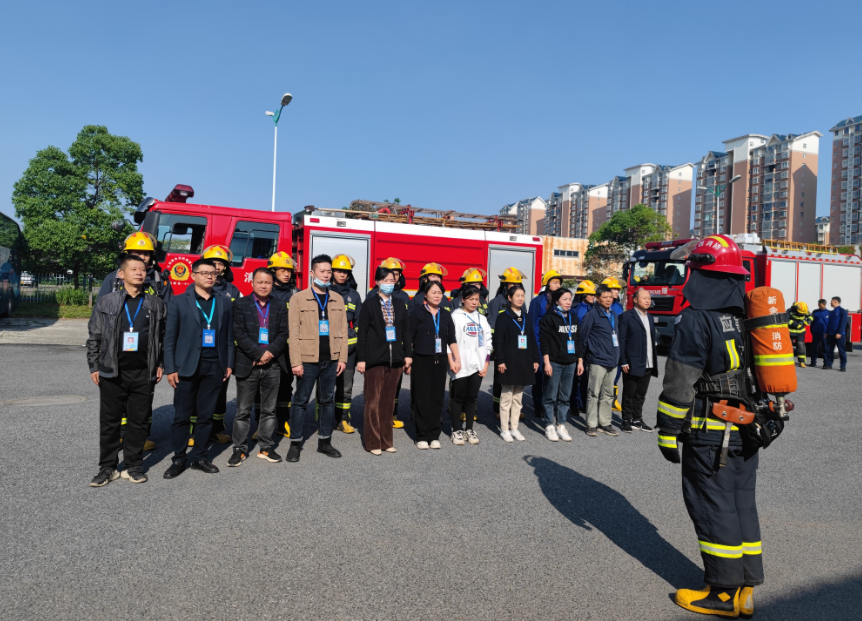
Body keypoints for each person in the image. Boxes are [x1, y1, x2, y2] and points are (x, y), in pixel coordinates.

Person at [655, 234, 785, 619]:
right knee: (741, 504)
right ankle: (745, 588)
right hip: (748, 429)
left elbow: (680, 382)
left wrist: (666, 432)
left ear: (700, 274)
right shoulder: (746, 316)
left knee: (713, 507)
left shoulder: (696, 318)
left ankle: (722, 594)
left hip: (712, 434)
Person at [87, 256, 167, 486]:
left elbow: (162, 339)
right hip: (113, 371)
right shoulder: (107, 302)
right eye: (133, 269)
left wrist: (160, 364)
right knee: (110, 422)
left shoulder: (156, 303)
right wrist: (94, 365)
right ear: (121, 274)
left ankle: (133, 465)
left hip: (144, 371)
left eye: (142, 269)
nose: (139, 273)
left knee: (138, 421)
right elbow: (95, 336)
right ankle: (107, 467)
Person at [100, 231, 172, 452]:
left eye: (146, 253)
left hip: (146, 351)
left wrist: (162, 360)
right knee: (116, 398)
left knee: (143, 399)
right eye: (137, 252)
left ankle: (140, 437)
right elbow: (100, 316)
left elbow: (168, 320)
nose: (142, 257)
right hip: (117, 351)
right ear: (126, 255)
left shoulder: (160, 282)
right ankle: (120, 436)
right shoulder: (113, 280)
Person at [163, 258, 234, 479]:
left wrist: (229, 363)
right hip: (186, 366)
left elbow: (229, 336)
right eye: (204, 273)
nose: (209, 276)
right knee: (182, 416)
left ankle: (200, 457)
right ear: (193, 275)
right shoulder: (178, 301)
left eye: (212, 273)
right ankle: (179, 458)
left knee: (206, 416)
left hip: (215, 365)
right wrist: (170, 368)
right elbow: (170, 337)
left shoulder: (223, 302)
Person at [286, 254, 348, 462]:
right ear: (312, 273)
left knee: (327, 401)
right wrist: (295, 361)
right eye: (322, 271)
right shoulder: (298, 298)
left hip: (330, 359)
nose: (326, 275)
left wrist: (342, 358)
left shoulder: (337, 299)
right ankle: (295, 443)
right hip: (307, 359)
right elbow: (293, 332)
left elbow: (343, 331)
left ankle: (325, 441)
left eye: (329, 271)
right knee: (301, 401)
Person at [228, 268, 289, 466]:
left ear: (272, 284)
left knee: (269, 410)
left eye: (268, 282)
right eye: (260, 282)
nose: (264, 286)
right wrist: (258, 353)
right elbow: (238, 332)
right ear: (252, 283)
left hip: (273, 364)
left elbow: (283, 332)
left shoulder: (280, 305)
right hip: (248, 363)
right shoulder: (240, 304)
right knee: (243, 410)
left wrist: (269, 352)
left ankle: (265, 446)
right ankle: (239, 449)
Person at [357, 266, 413, 455]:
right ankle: (373, 442)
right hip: (375, 359)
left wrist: (407, 354)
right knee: (373, 402)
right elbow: (362, 333)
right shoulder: (369, 304)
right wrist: (361, 359)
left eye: (392, 280)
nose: (390, 283)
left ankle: (386, 441)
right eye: (386, 280)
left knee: (388, 403)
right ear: (378, 282)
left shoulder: (399, 304)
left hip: (395, 359)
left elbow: (406, 330)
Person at [194, 244, 240, 446]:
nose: (217, 267)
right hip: (199, 350)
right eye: (213, 263)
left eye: (221, 264)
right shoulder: (196, 289)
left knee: (221, 392)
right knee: (196, 392)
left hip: (221, 350)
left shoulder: (232, 291)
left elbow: (237, 322)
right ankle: (194, 430)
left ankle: (217, 428)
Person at [409, 280, 460, 448]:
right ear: (425, 294)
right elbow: (409, 338)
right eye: (433, 292)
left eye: (440, 292)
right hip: (421, 360)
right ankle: (421, 435)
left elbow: (451, 339)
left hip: (440, 361)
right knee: (422, 397)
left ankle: (434, 434)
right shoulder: (417, 313)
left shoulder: (445, 315)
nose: (437, 295)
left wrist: (456, 358)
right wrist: (407, 359)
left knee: (437, 397)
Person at [493, 284, 540, 442]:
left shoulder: (526, 317)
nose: (520, 298)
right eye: (517, 295)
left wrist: (535, 359)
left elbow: (532, 340)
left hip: (524, 361)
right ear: (509, 297)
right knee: (506, 397)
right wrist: (500, 360)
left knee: (518, 398)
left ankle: (515, 428)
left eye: (522, 295)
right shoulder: (503, 316)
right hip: (508, 362)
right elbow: (498, 340)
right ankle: (504, 429)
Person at [368, 258, 411, 428]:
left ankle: (392, 414)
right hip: (379, 347)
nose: (394, 277)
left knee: (395, 384)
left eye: (397, 274)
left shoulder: (404, 297)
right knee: (378, 383)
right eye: (390, 274)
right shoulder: (372, 295)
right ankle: (377, 415)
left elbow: (406, 325)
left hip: (397, 347)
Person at [448, 285, 492, 443]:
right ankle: (456, 430)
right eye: (471, 299)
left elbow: (488, 341)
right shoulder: (455, 316)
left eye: (477, 299)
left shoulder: (482, 318)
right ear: (463, 300)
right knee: (458, 398)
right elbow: (449, 340)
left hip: (478, 365)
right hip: (460, 365)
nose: (474, 302)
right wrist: (452, 360)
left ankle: (469, 429)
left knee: (472, 398)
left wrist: (486, 363)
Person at [539, 287, 584, 442]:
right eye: (564, 299)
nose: (568, 302)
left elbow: (578, 341)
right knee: (550, 395)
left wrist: (580, 360)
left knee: (565, 396)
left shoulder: (574, 317)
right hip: (554, 362)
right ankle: (549, 425)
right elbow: (544, 342)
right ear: (557, 300)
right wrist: (546, 362)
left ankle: (561, 424)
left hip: (571, 362)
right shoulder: (548, 318)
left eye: (570, 299)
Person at [487, 267, 529, 418]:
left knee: (516, 377)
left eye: (517, 284)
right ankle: (498, 408)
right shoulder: (495, 302)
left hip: (518, 348)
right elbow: (491, 327)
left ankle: (514, 408)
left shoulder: (521, 303)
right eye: (512, 284)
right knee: (501, 379)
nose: (515, 287)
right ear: (505, 285)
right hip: (503, 348)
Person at [327, 254, 362, 434]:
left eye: (345, 272)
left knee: (345, 387)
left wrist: (352, 342)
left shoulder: (354, 296)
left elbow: (358, 323)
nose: (342, 274)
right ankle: (323, 421)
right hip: (327, 349)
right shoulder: (324, 293)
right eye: (339, 271)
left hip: (349, 350)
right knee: (325, 386)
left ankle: (343, 419)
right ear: (332, 272)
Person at [580, 284, 620, 438]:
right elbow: (583, 338)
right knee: (593, 393)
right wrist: (582, 360)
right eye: (605, 297)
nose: (608, 300)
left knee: (608, 394)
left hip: (612, 359)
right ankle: (591, 424)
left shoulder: (614, 315)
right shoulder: (591, 315)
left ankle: (605, 423)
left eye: (610, 297)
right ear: (597, 298)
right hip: (596, 360)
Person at [617, 288, 657, 433]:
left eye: (649, 298)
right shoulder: (626, 317)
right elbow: (621, 340)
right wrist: (623, 360)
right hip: (632, 362)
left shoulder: (650, 317)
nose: (648, 300)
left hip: (648, 361)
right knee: (629, 392)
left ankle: (637, 419)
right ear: (635, 300)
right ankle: (626, 419)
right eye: (644, 298)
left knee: (641, 393)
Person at [268, 251, 299, 437]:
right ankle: (261, 424)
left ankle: (283, 422)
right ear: (273, 271)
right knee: (264, 386)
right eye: (282, 269)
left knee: (286, 386)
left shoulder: (296, 293)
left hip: (289, 348)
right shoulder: (265, 291)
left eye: (289, 270)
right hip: (269, 348)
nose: (286, 273)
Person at [529, 270, 564, 421]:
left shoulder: (560, 302)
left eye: (559, 282)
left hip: (555, 345)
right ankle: (538, 405)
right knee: (540, 376)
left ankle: (550, 405)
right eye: (554, 282)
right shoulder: (537, 301)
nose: (557, 285)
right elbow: (530, 324)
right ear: (547, 283)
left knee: (554, 376)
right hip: (538, 344)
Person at [572, 280, 597, 413]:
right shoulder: (575, 310)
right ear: (583, 295)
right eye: (590, 294)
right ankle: (574, 404)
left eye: (594, 295)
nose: (593, 296)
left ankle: (583, 403)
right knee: (576, 377)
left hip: (590, 348)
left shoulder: (594, 309)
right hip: (578, 347)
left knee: (587, 378)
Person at [602, 276, 625, 412]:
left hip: (617, 342)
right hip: (605, 343)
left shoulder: (619, 305)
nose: (616, 291)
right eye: (613, 288)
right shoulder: (602, 305)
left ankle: (613, 400)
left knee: (616, 372)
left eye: (617, 289)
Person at [824, 296, 848, 371]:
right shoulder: (831, 312)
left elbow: (843, 323)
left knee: (841, 351)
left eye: (831, 301)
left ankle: (843, 366)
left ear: (835, 301)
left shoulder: (842, 311)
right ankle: (828, 364)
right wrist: (826, 332)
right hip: (830, 334)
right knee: (829, 350)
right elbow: (829, 323)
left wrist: (839, 333)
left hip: (839, 335)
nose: (830, 303)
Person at [787, 301, 812, 368]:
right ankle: (789, 361)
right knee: (789, 347)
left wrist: (808, 321)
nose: (803, 314)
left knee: (801, 346)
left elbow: (811, 316)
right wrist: (796, 325)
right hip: (790, 331)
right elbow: (787, 319)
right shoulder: (790, 311)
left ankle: (802, 362)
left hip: (800, 332)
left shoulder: (804, 310)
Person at [809, 299, 830, 368]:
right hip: (816, 332)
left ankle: (826, 364)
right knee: (814, 348)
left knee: (825, 348)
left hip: (824, 333)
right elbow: (812, 322)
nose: (819, 306)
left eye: (820, 305)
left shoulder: (829, 313)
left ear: (824, 304)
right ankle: (813, 362)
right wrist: (812, 330)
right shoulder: (815, 312)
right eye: (818, 304)